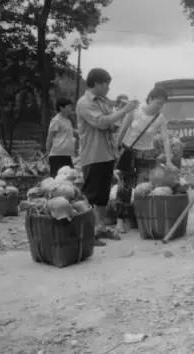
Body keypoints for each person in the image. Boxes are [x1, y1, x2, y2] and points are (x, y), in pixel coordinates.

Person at [76, 68, 139, 246]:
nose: (108, 89)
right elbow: (101, 122)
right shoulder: (84, 103)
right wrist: (124, 110)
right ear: (96, 83)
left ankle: (101, 228)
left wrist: (119, 108)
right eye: (106, 85)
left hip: (106, 153)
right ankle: (87, 232)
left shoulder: (102, 101)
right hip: (93, 154)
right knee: (91, 195)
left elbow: (111, 121)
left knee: (103, 195)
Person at [115, 87, 177, 233]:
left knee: (143, 187)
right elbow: (121, 132)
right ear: (149, 99)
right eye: (157, 103)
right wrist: (115, 151)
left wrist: (168, 160)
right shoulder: (134, 112)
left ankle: (139, 218)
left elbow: (166, 140)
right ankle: (120, 220)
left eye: (162, 104)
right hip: (129, 152)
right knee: (125, 186)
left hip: (147, 155)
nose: (159, 107)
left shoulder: (160, 118)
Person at [46, 97, 75, 177]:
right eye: (68, 106)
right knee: (57, 178)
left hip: (67, 155)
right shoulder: (56, 120)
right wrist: (48, 151)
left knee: (69, 177)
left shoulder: (68, 121)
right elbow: (50, 137)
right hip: (57, 155)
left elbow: (71, 133)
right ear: (61, 108)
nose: (71, 108)